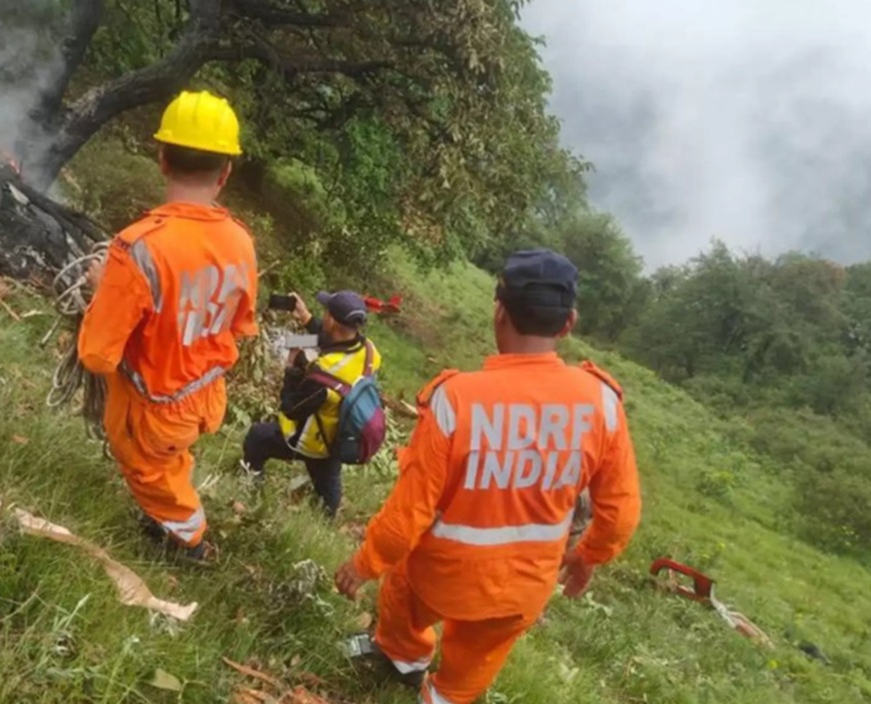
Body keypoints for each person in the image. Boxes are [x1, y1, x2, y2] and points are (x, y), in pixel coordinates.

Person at [333, 249, 642, 703]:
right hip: (521, 591)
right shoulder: (603, 404)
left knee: (401, 590)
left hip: (440, 577)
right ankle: (442, 694)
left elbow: (408, 513)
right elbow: (620, 515)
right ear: (568, 324)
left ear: (499, 311)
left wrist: (364, 565)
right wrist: (588, 555)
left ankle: (401, 658)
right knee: (468, 674)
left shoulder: (455, 399)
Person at [78, 90, 259, 563]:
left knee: (153, 475)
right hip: (202, 397)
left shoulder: (138, 248)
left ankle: (187, 539)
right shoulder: (241, 242)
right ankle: (168, 511)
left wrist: (103, 290)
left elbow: (97, 355)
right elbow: (240, 323)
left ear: (161, 159)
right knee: (169, 461)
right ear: (226, 172)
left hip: (151, 408)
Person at [240, 291, 381, 517]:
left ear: (332, 321)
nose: (323, 316)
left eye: (325, 313)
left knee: (257, 437)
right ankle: (327, 518)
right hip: (339, 436)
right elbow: (334, 343)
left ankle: (249, 494)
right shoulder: (370, 352)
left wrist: (291, 370)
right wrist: (306, 318)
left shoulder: (322, 375)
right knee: (328, 489)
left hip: (312, 442)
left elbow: (291, 408)